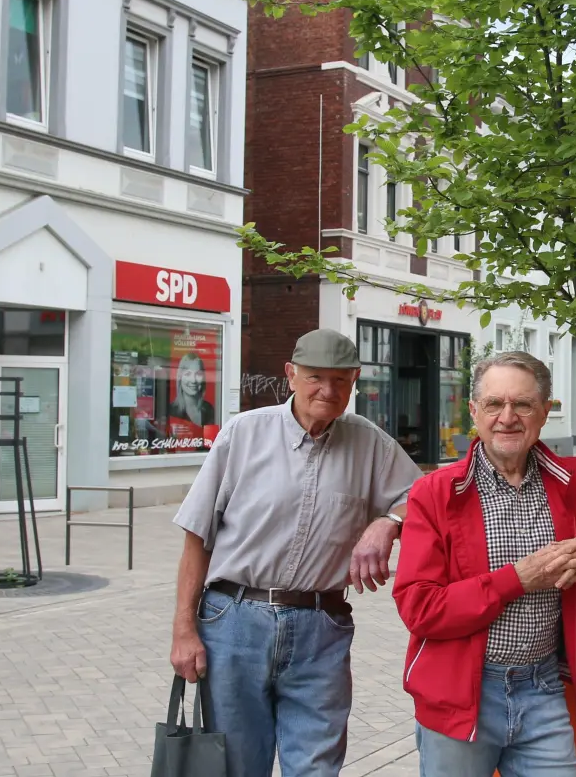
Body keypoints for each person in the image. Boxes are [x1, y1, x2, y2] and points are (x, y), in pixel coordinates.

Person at [395, 351, 576, 776]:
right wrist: (517, 580)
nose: (507, 417)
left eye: (522, 404)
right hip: (461, 694)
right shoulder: (436, 493)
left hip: (542, 688)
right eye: (494, 404)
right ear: (474, 411)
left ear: (545, 412)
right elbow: (419, 607)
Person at [169, 328, 421, 777]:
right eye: (315, 377)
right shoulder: (244, 434)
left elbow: (424, 498)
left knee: (318, 767)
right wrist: (184, 630)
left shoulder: (371, 444)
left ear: (355, 380)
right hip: (233, 624)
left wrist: (389, 522)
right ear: (291, 375)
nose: (327, 390)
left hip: (320, 629)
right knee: (237, 766)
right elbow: (197, 536)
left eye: (340, 380)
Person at [171, 351, 215, 428]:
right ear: (180, 378)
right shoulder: (171, 411)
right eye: (188, 374)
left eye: (198, 374)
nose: (193, 380)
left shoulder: (208, 409)